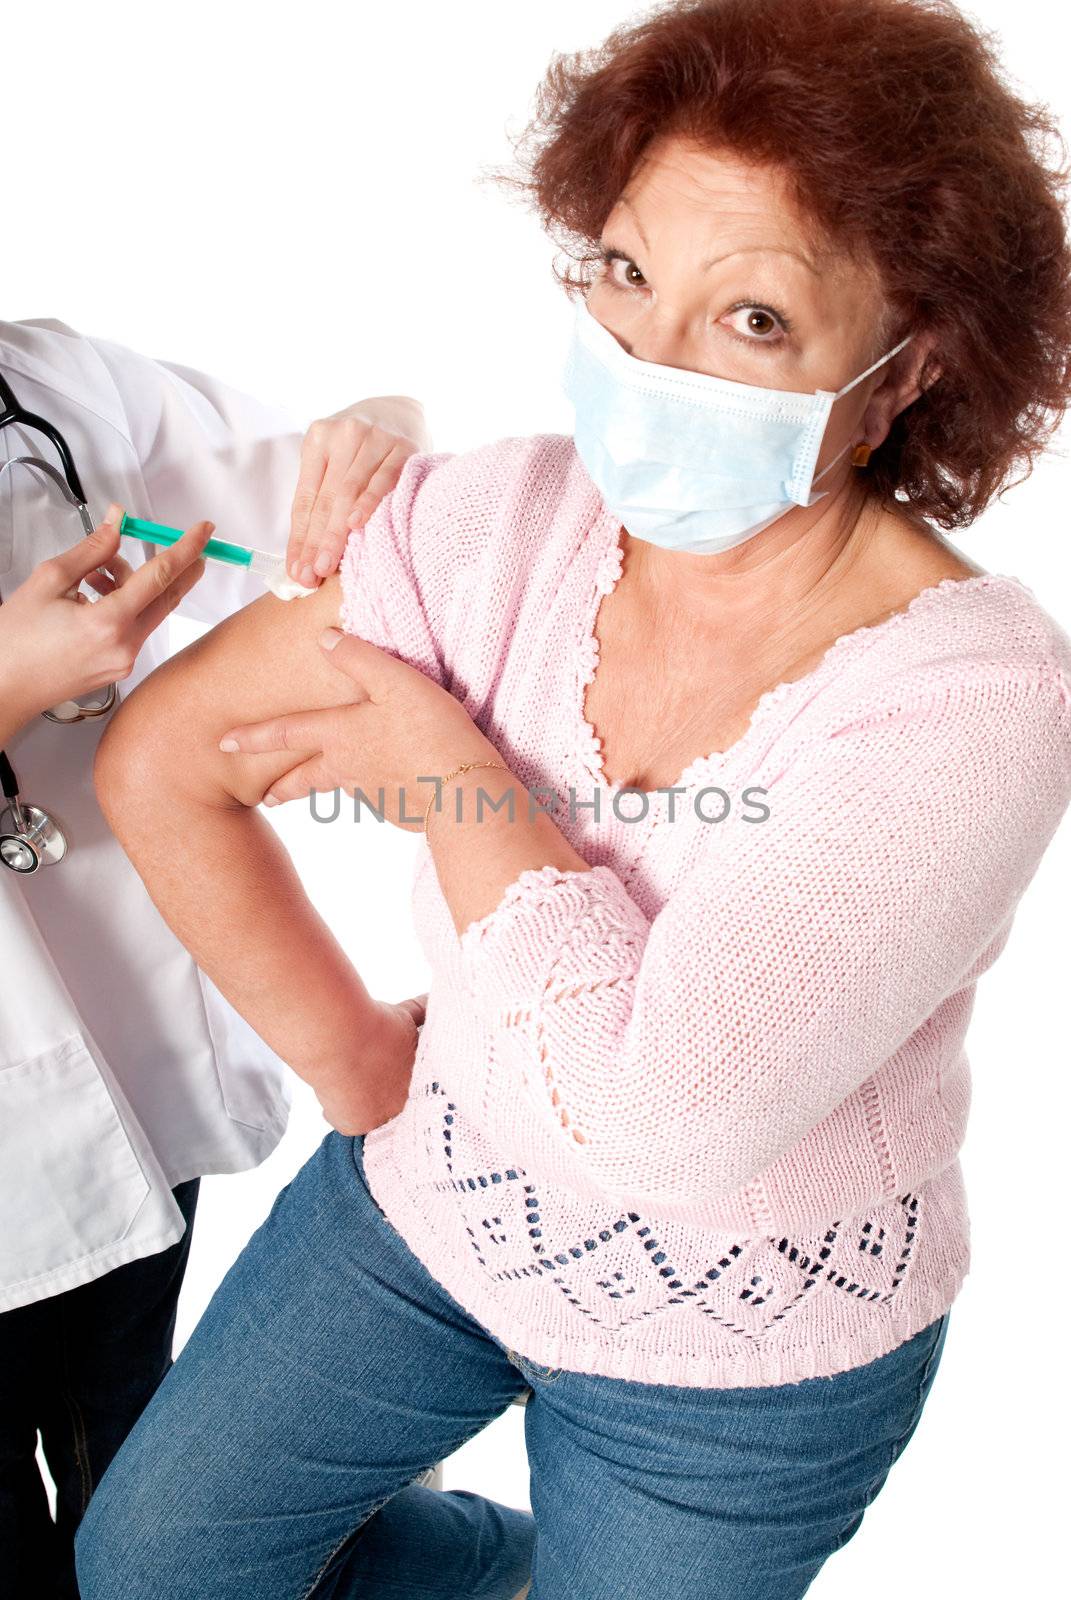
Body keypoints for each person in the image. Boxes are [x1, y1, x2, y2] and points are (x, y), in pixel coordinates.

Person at [76, 0, 1071, 1595]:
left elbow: (666, 1125)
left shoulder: (972, 699)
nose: (645, 362)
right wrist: (351, 1067)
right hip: (433, 1209)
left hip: (750, 1355)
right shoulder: (491, 521)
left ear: (903, 374)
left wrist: (440, 768)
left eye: (750, 319)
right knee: (153, 1565)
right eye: (621, 272)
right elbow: (165, 756)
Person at [0, 311, 434, 1598]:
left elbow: (322, 502)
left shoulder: (44, 381)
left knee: (166, 1535)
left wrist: (380, 438)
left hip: (126, 1098)